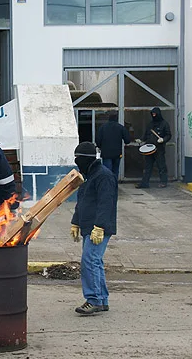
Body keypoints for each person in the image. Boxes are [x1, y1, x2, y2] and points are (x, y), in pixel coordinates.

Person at [70, 141, 118, 315]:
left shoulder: (103, 176)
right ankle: (102, 299)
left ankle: (93, 300)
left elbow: (107, 203)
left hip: (98, 227)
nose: (76, 161)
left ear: (87, 159)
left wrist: (100, 227)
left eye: (78, 158)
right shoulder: (89, 175)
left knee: (89, 260)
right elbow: (82, 200)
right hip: (88, 225)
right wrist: (76, 221)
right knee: (95, 261)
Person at [135, 107, 172, 188]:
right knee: (148, 166)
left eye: (155, 114)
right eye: (152, 114)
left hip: (159, 149)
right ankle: (145, 183)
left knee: (161, 166)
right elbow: (146, 134)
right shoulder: (150, 124)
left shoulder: (164, 124)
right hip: (149, 149)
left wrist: (163, 139)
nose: (153, 115)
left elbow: (168, 135)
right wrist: (141, 140)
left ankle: (163, 182)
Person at [95, 111, 131, 179]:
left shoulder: (103, 127)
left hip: (106, 153)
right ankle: (114, 187)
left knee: (107, 172)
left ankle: (108, 187)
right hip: (117, 154)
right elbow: (127, 140)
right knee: (115, 172)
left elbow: (98, 140)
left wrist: (100, 147)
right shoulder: (121, 127)